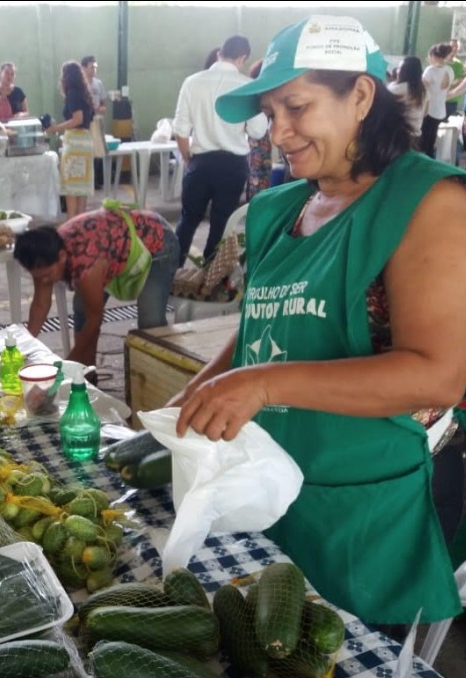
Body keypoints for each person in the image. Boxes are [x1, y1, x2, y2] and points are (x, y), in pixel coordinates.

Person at [173, 15, 466, 627]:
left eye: (296, 107)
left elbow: (439, 376)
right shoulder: (280, 208)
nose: (278, 131)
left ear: (360, 97)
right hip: (270, 486)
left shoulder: (427, 203)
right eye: (270, 113)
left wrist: (262, 385)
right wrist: (199, 390)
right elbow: (262, 326)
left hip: (369, 508)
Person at [14, 206, 180, 368]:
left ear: (62, 257)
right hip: (113, 247)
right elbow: (41, 304)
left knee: (150, 322)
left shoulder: (86, 263)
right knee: (82, 309)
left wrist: (70, 365)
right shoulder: (42, 257)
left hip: (157, 241)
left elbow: (95, 318)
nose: (44, 281)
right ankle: (88, 373)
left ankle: (159, 376)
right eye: (38, 277)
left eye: (47, 275)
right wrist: (23, 350)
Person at [173, 35, 268, 266]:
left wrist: (188, 160)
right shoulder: (246, 87)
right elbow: (258, 130)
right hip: (232, 167)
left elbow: (181, 130)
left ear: (219, 54)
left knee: (188, 219)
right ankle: (209, 279)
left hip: (200, 163)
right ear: (243, 57)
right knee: (221, 223)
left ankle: (169, 271)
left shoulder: (192, 82)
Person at [45, 61, 96, 221]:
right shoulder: (85, 93)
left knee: (71, 188)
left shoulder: (73, 93)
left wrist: (56, 128)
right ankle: (80, 225)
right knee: (82, 187)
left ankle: (71, 223)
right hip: (86, 142)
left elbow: (77, 118)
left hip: (74, 143)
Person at [246, 59, 273, 201]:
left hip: (255, 143)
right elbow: (259, 129)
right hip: (259, 141)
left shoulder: (256, 95)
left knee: (255, 176)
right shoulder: (261, 96)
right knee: (259, 177)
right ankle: (256, 205)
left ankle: (254, 204)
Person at [421, 42, 453, 158]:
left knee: (423, 141)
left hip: (428, 110)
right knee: (431, 139)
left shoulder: (430, 71)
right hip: (440, 110)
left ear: (433, 55)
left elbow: (422, 90)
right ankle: (430, 160)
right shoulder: (449, 70)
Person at [81, 55, 108, 190]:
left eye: (95, 67)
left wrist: (102, 108)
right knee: (87, 150)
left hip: (97, 120)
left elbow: (103, 101)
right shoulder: (80, 85)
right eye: (92, 67)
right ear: (84, 68)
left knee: (98, 150)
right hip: (85, 122)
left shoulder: (98, 84)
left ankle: (98, 180)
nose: (94, 70)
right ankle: (88, 179)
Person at [387, 56, 427, 141]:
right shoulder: (424, 90)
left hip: (397, 135)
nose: (397, 71)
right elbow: (425, 112)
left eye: (400, 68)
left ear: (405, 71)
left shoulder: (396, 89)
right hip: (416, 135)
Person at [445, 39, 465, 118]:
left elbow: (462, 79)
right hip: (441, 100)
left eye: (456, 47)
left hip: (454, 100)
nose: (454, 49)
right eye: (452, 46)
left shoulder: (459, 64)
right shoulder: (441, 63)